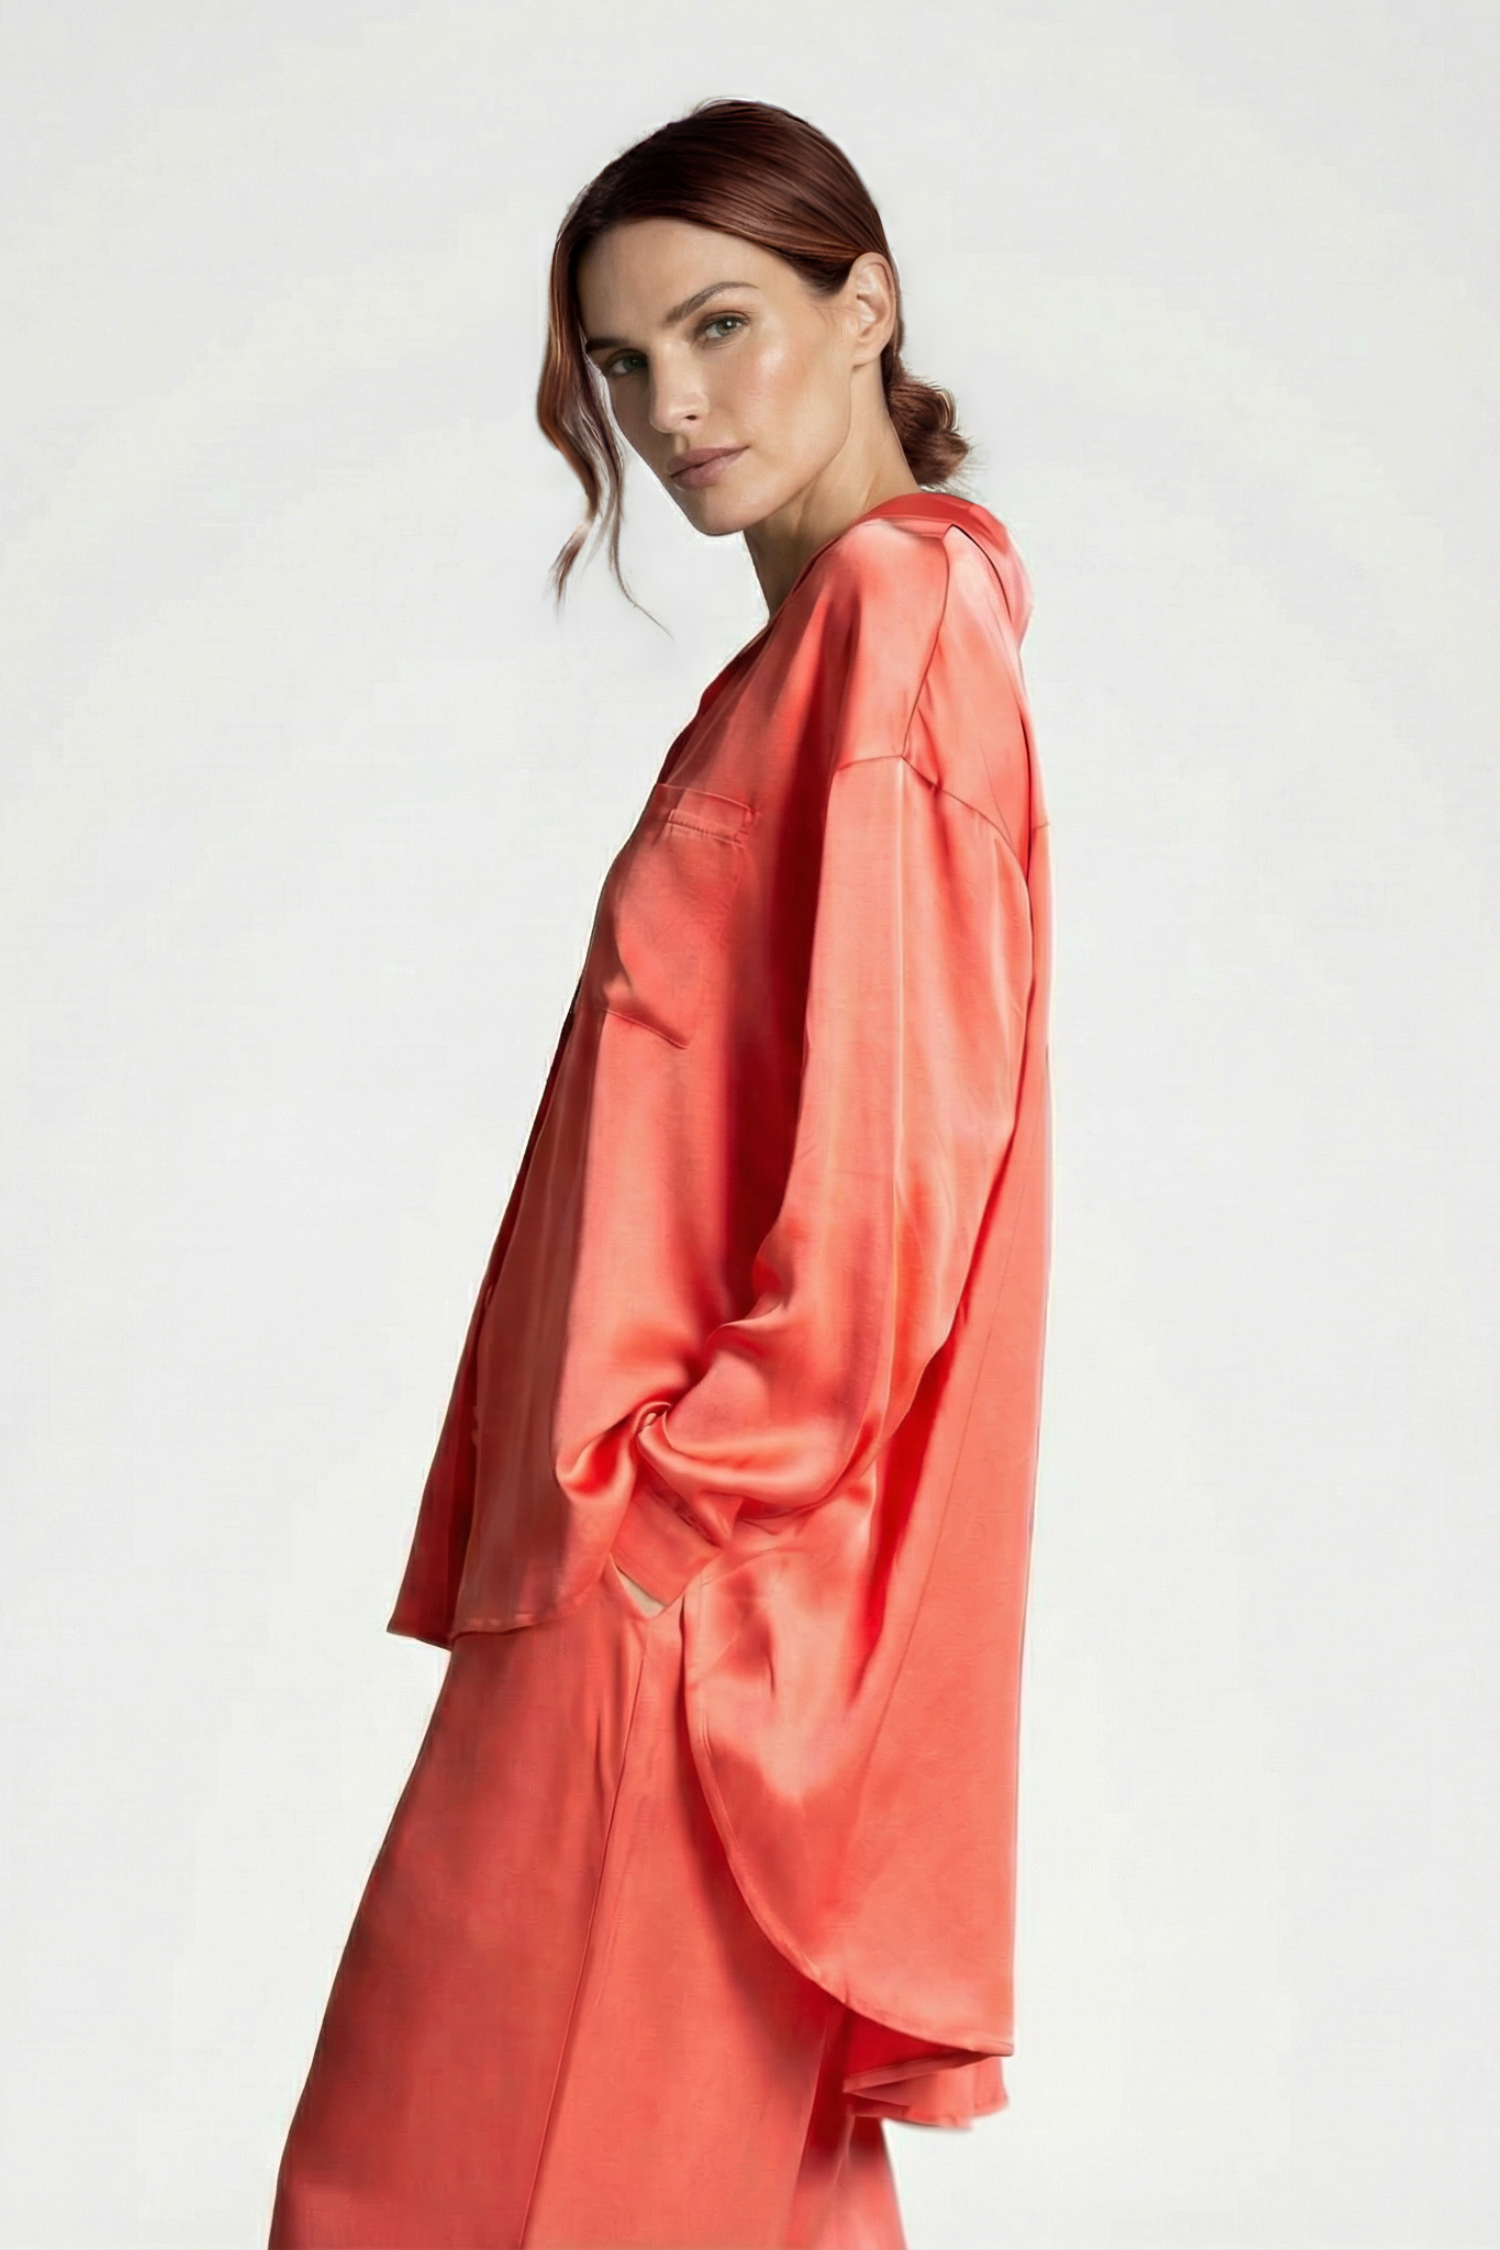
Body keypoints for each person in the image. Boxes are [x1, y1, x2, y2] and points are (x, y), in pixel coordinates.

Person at [269, 97, 1051, 2250]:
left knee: (421, 2192)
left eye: (720, 326)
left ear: (862, 305)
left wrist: (662, 1515)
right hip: (663, 1583)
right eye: (621, 366)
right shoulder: (811, 654)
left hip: (677, 1605)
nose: (671, 406)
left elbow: (901, 1172)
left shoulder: (895, 624)